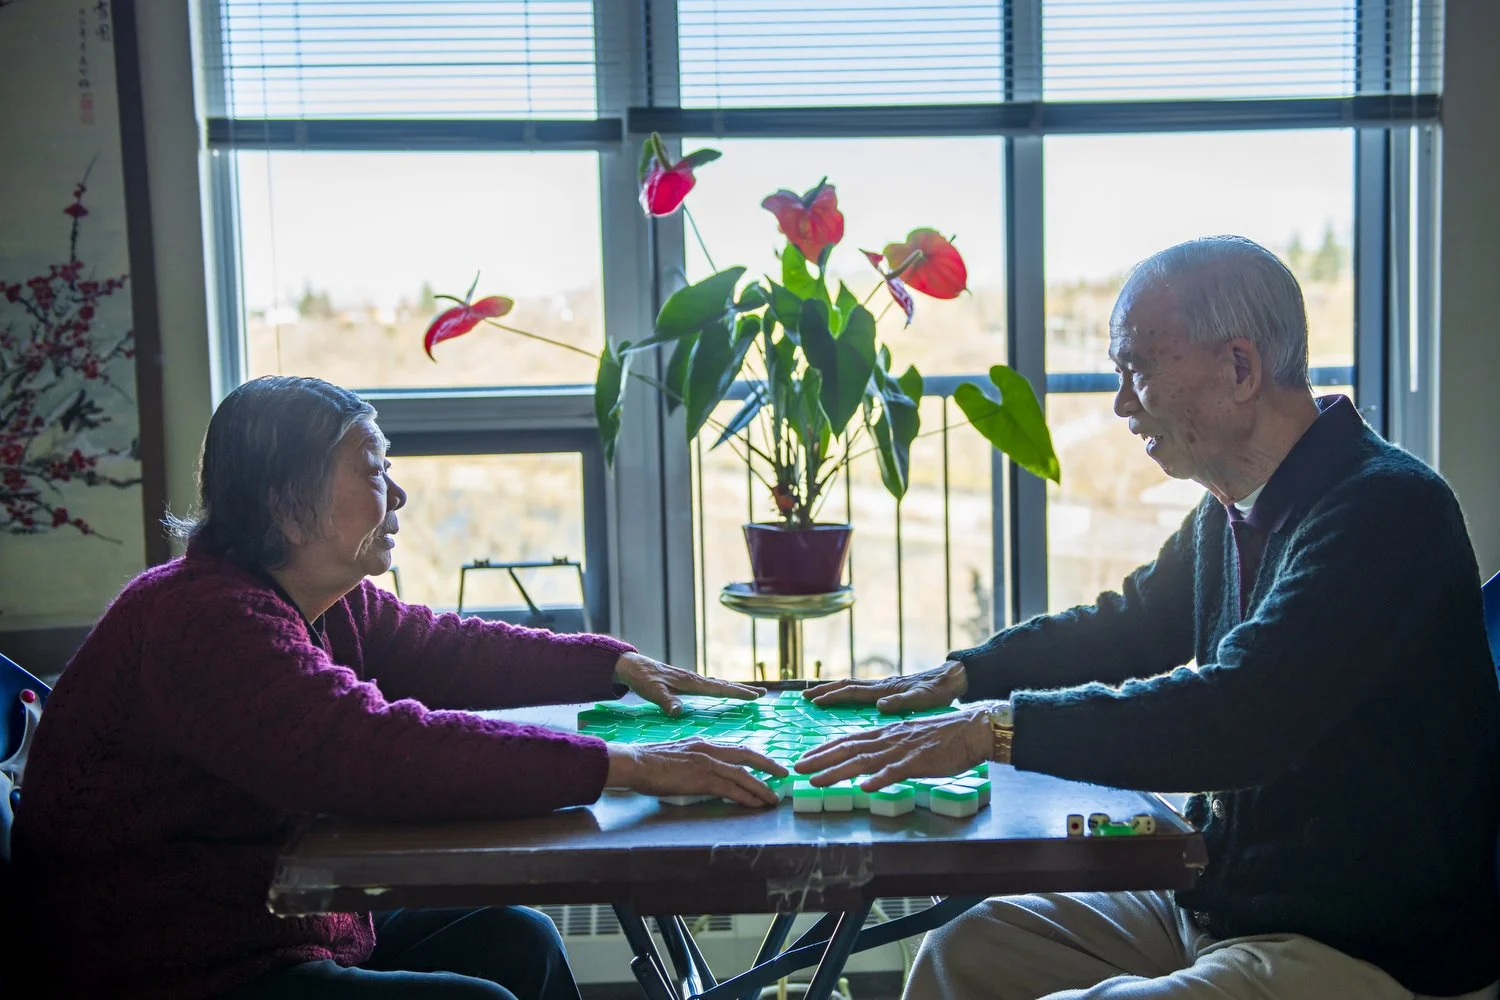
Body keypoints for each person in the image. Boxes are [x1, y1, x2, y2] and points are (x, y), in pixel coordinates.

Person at [795, 236, 1500, 1000]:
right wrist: (965, 676)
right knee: (962, 954)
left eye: (1135, 368)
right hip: (1222, 910)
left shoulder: (1384, 509)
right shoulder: (1231, 511)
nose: (1122, 403)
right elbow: (1126, 625)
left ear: (1239, 368)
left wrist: (993, 728)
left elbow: (1238, 716)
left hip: (1367, 948)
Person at [11, 376, 786, 1000]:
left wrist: (611, 663)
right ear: (288, 503)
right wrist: (628, 766)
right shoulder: (203, 620)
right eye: (375, 470)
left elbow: (443, 648)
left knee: (518, 940)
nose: (399, 494)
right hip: (172, 970)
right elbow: (371, 748)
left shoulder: (308, 597)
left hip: (270, 930)